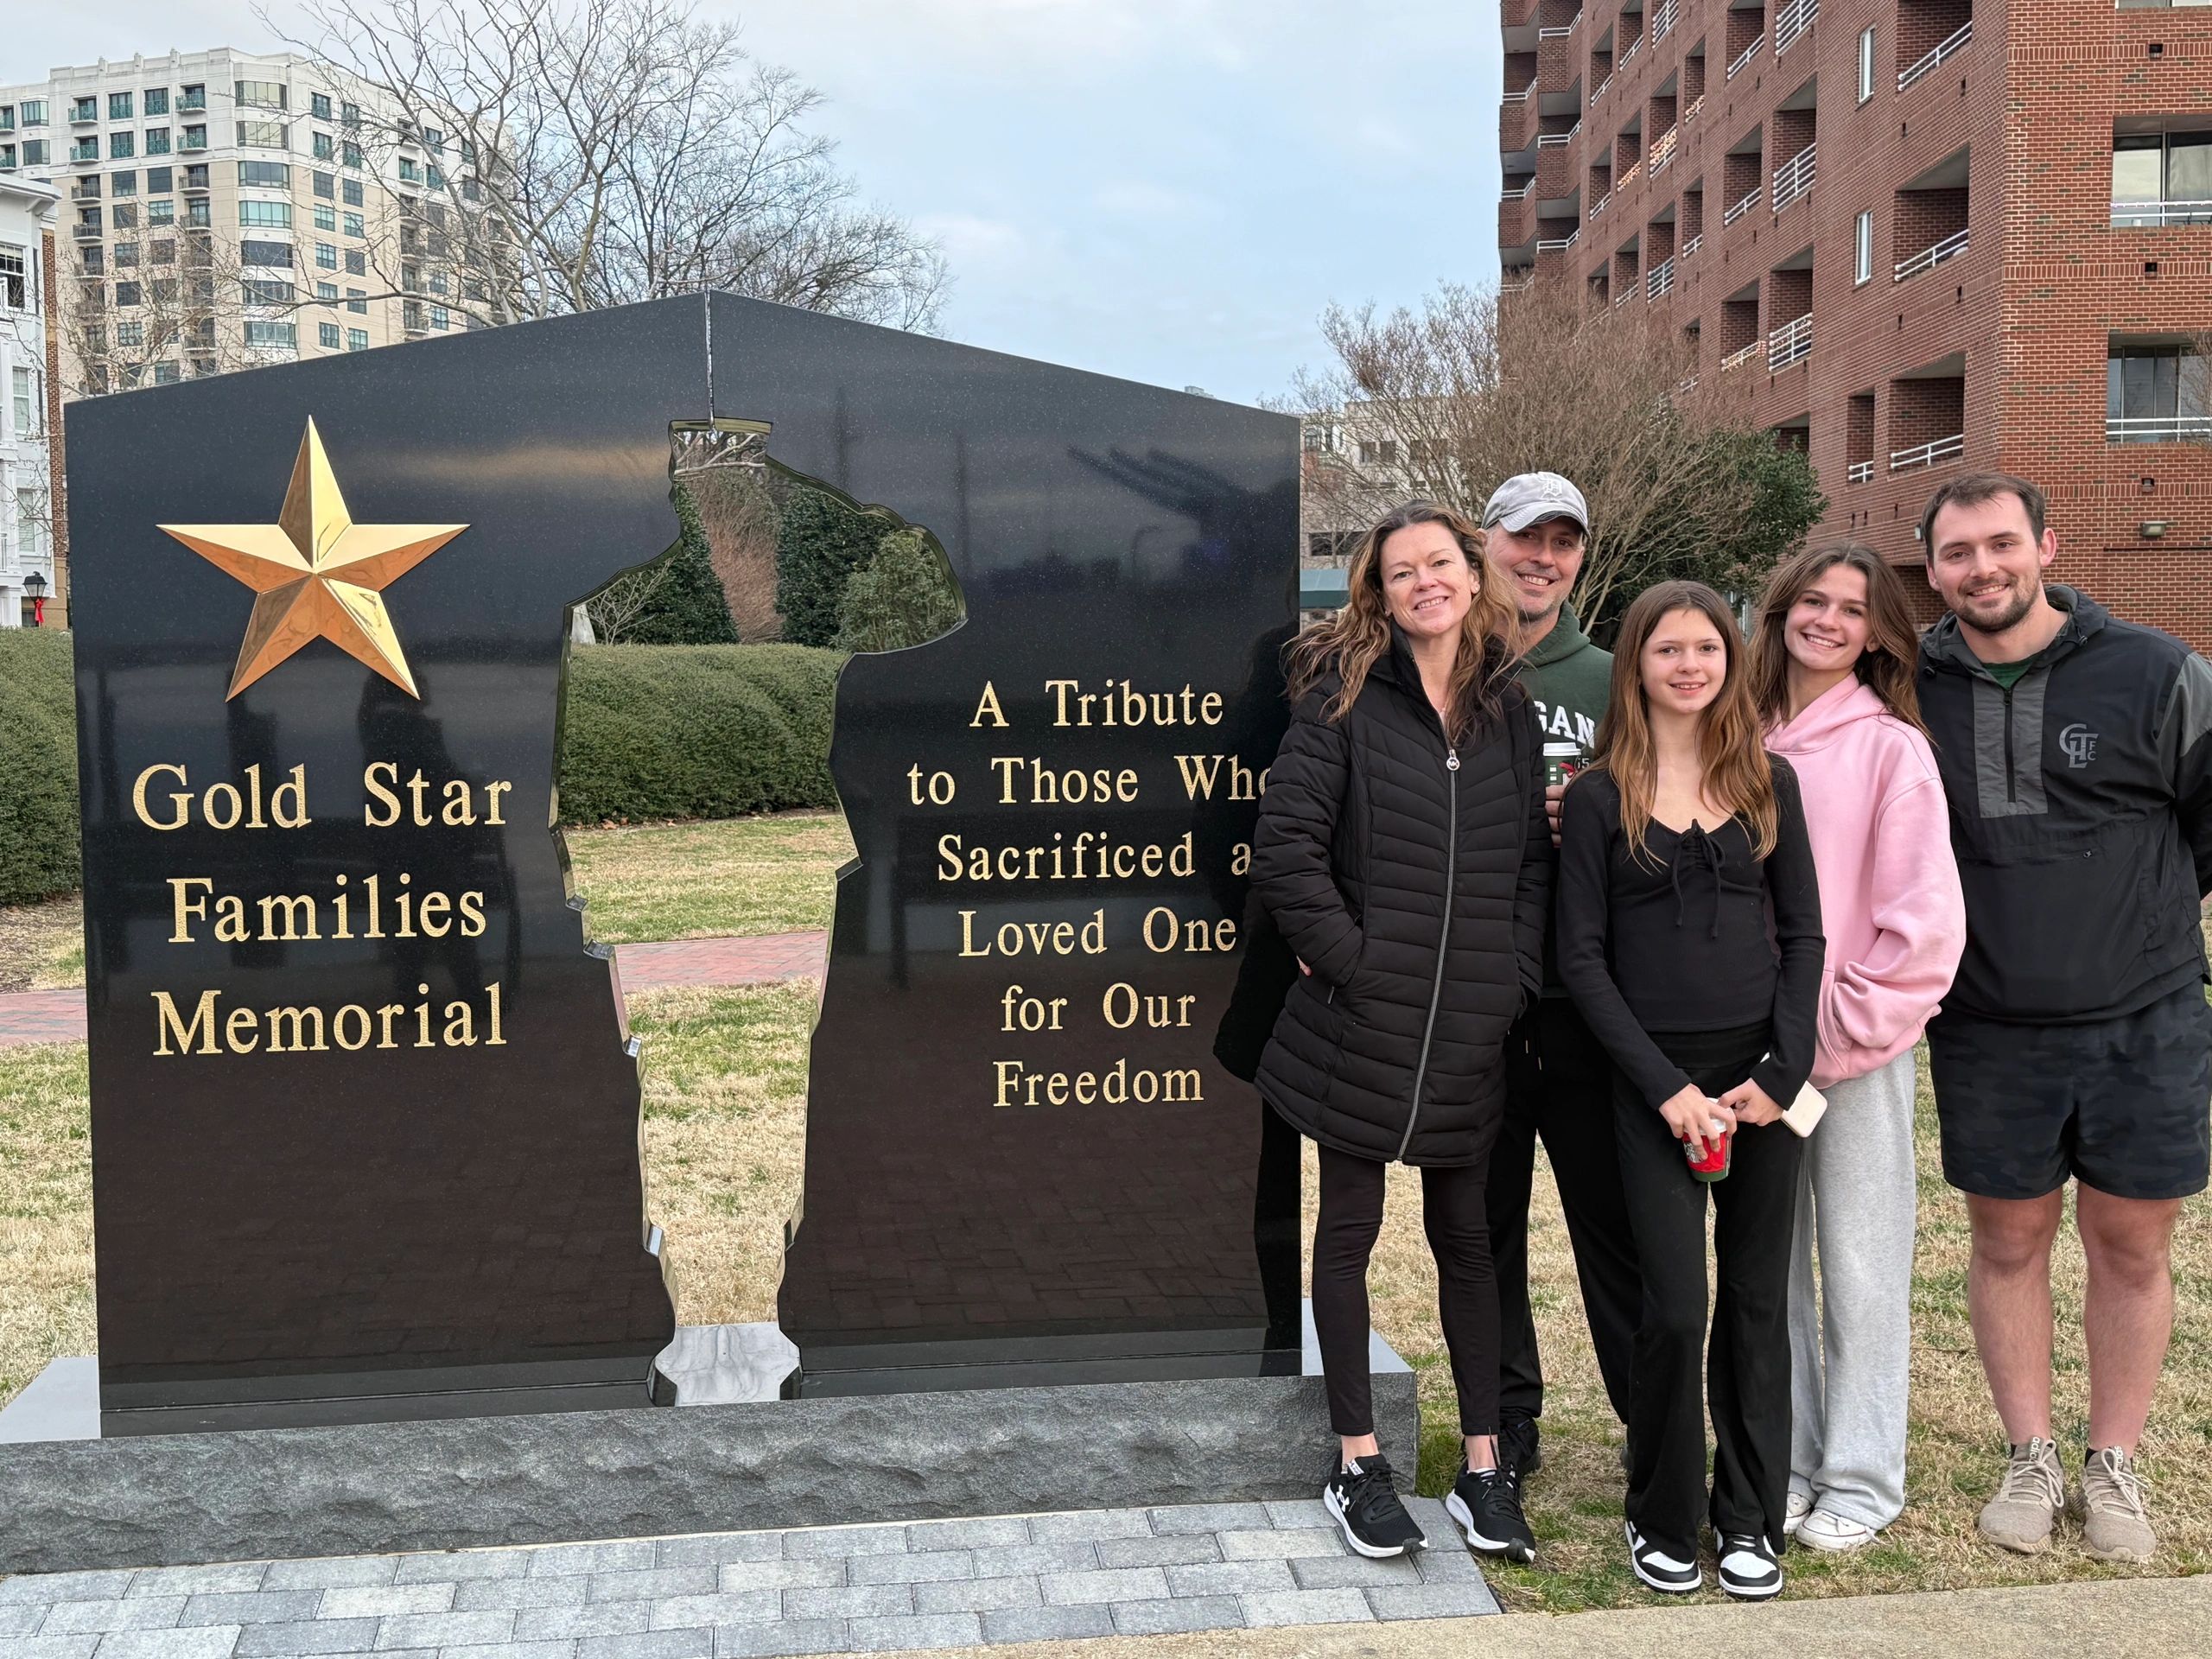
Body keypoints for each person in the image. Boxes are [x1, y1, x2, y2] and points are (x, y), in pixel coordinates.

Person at [1915, 473, 2212, 1562]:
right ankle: (2029, 1456)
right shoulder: (1912, 681)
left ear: (2046, 543)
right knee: (2007, 1242)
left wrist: (2130, 925)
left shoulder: (2157, 671)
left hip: (2145, 1016)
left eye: (2000, 544)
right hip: (1989, 1023)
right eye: (1956, 554)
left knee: (2130, 1245)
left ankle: (2114, 1462)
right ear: (1935, 569)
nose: (1981, 569)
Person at [1252, 500, 1551, 1565]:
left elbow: (1528, 869)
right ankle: (1357, 1462)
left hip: (1472, 1032)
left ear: (1473, 578)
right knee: (1347, 1237)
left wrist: (1509, 981)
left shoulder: (1508, 712)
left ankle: (1481, 1470)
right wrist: (1360, 966)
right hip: (1358, 1028)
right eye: (1400, 571)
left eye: (1441, 563)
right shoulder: (1340, 702)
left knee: (1468, 1245)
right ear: (1377, 592)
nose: (1425, 581)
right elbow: (1286, 854)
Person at [1555, 580, 1824, 1600]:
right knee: (1673, 1307)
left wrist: (1778, 1072)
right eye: (1665, 649)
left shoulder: (1769, 783)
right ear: (1637, 665)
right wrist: (1666, 1089)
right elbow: (1580, 960)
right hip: (1649, 1087)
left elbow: (1803, 936)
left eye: (1705, 647)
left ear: (1729, 659)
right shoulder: (1594, 797)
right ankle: (1661, 1515)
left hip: (1760, 1089)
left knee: (1755, 1304)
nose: (1687, 665)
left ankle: (1747, 1518)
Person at [1751, 543, 1965, 1552]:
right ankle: (1785, 1461)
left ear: (1878, 632)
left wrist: (1832, 1038)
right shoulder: (1734, 729)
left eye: (1849, 608)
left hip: (1847, 1052)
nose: (1825, 620)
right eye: (1810, 600)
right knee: (1768, 1267)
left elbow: (1922, 925)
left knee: (1862, 1264)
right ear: (1781, 609)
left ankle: (1863, 1478)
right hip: (1746, 1054)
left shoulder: (1890, 748)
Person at [1477, 472, 1641, 1484]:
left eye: (1562, 541)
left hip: (1588, 1004)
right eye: (1522, 538)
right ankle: (1508, 1420)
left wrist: (1594, 818)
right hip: (1482, 1004)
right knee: (1482, 1228)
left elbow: (1669, 816)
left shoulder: (1612, 677)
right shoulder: (1444, 668)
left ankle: (1648, 1419)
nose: (1541, 557)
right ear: (1484, 541)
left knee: (1613, 1228)